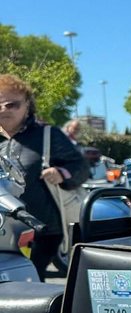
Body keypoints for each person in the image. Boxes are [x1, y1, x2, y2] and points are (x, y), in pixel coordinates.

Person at [0, 74, 90, 278]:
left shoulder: (47, 135)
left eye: (11, 104)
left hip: (42, 231)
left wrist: (61, 173)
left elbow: (82, 167)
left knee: (27, 282)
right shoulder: (1, 142)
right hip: (4, 231)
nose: (4, 110)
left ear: (27, 106)